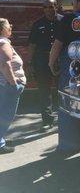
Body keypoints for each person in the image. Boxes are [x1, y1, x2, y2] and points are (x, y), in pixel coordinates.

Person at [48, 0, 80, 153]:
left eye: (73, 2)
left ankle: (66, 145)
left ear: (78, 2)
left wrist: (51, 62)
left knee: (66, 103)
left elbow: (58, 44)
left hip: (70, 64)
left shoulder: (68, 19)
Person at [28, 0, 63, 129]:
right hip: (42, 61)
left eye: (51, 6)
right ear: (43, 9)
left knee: (63, 90)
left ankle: (64, 118)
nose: (49, 9)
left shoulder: (63, 21)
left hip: (60, 60)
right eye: (46, 7)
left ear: (56, 6)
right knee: (44, 91)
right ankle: (47, 120)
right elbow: (32, 44)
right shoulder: (38, 24)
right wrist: (30, 63)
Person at [0, 18, 26, 154]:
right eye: (8, 25)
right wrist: (14, 84)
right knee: (6, 115)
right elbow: (5, 64)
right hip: (7, 85)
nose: (11, 26)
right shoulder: (3, 42)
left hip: (3, 84)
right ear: (2, 29)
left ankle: (1, 139)